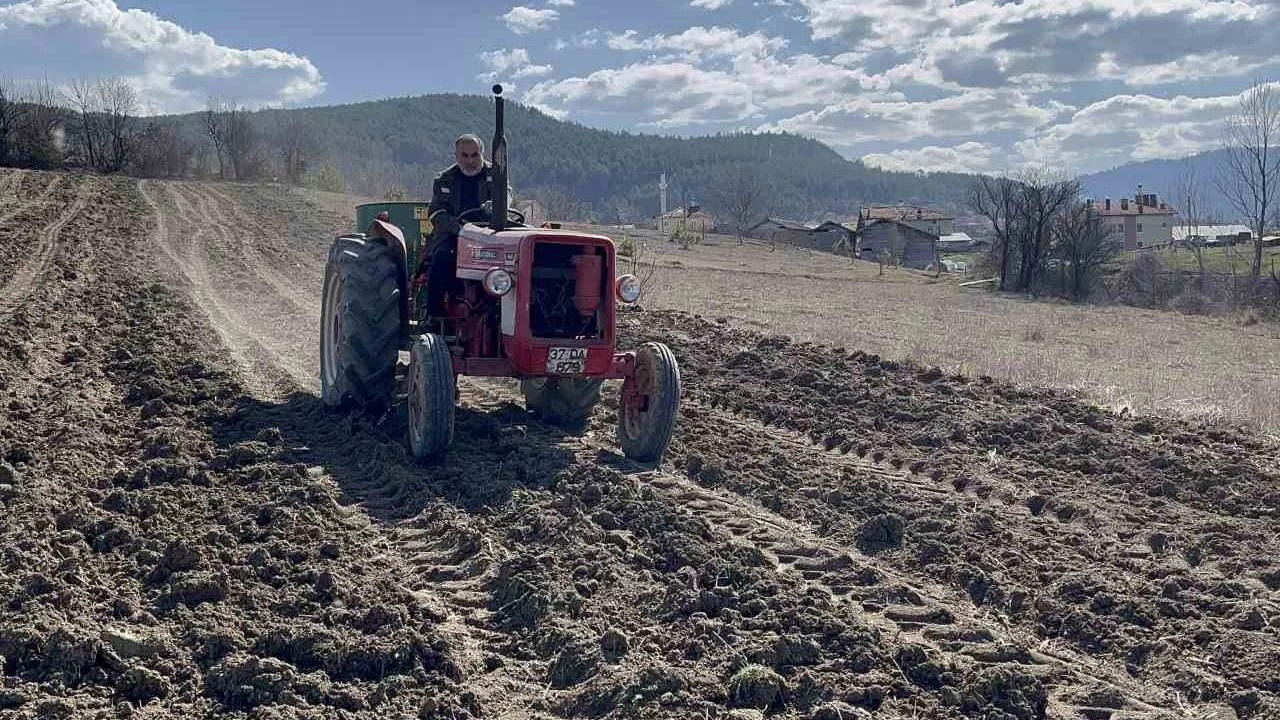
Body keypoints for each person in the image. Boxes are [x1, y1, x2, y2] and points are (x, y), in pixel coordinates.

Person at [424, 134, 501, 316]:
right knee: (441, 258)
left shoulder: (496, 176)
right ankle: (434, 316)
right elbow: (436, 213)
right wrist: (458, 228)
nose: (470, 161)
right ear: (456, 156)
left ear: (482, 154)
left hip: (489, 236)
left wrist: (498, 207)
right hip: (455, 236)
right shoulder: (444, 179)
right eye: (464, 156)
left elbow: (507, 197)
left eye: (474, 155)